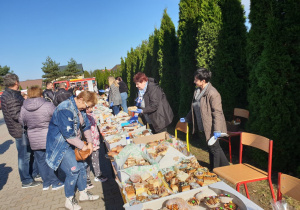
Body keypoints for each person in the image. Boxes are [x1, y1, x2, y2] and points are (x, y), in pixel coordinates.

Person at [46, 91, 100, 210]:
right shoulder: (65, 109)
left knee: (83, 166)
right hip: (60, 145)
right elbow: (68, 135)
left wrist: (90, 142)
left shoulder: (80, 109)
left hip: (73, 143)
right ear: (80, 99)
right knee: (73, 171)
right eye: (88, 105)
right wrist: (83, 146)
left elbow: (85, 126)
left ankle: (83, 193)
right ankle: (69, 200)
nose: (88, 108)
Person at [182, 68, 229, 171]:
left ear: (203, 81)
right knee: (212, 147)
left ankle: (215, 172)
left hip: (213, 126)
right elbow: (194, 107)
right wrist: (187, 118)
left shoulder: (213, 93)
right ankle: (225, 167)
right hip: (204, 125)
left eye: (196, 80)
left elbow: (217, 112)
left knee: (214, 149)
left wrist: (217, 130)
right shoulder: (197, 91)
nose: (194, 81)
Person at [1, 73, 42, 188]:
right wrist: (31, 116)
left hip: (21, 129)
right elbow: (16, 115)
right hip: (20, 131)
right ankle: (26, 180)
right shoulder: (10, 96)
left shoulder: (12, 94)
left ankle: (33, 174)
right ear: (16, 83)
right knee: (24, 156)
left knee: (29, 153)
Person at [19, 86, 63, 191]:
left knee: (40, 161)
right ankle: (55, 182)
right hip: (48, 136)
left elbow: (21, 121)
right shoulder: (48, 105)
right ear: (40, 94)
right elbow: (57, 117)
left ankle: (46, 183)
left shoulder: (24, 107)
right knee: (51, 159)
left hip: (33, 137)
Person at [85, 106, 107, 189]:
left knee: (96, 159)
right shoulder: (83, 116)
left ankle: (98, 174)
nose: (91, 109)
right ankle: (86, 179)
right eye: (89, 108)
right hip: (89, 143)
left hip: (95, 141)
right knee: (86, 161)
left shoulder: (92, 114)